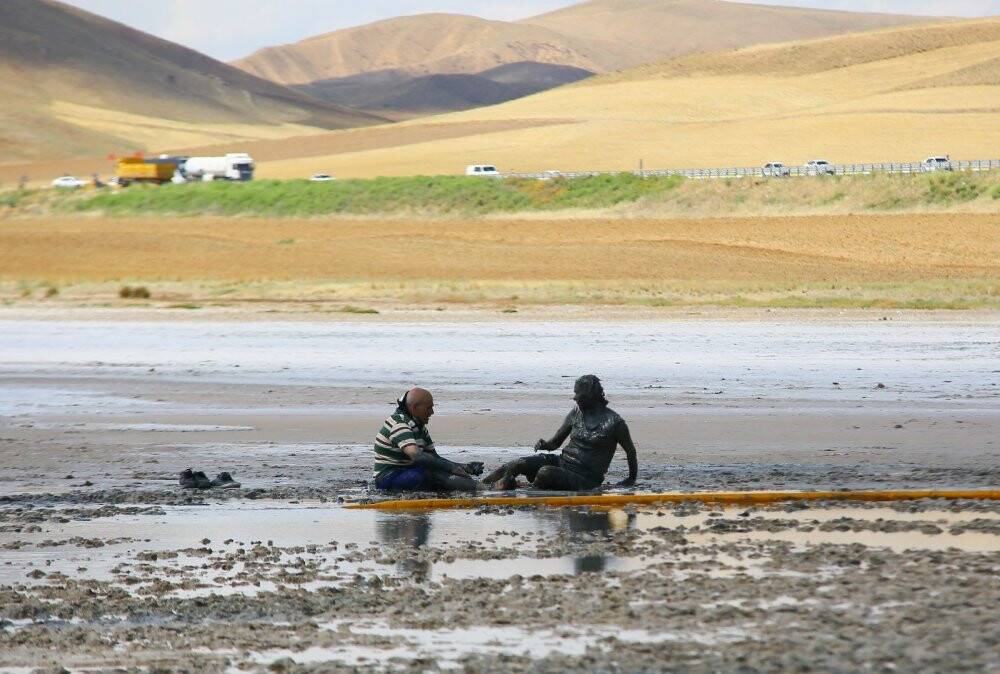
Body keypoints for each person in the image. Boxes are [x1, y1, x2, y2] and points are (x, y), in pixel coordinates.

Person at [483, 375, 637, 491]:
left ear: (591, 395)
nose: (574, 397)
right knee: (518, 463)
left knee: (545, 473)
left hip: (586, 478)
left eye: (579, 394)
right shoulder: (576, 414)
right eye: (574, 393)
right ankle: (483, 486)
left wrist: (631, 479)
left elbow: (630, 451)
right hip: (562, 463)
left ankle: (530, 491)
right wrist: (545, 445)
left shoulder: (615, 423)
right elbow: (556, 443)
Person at [373, 387, 482, 492]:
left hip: (409, 472)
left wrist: (464, 467)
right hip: (388, 477)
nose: (432, 412)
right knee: (431, 474)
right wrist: (451, 467)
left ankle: (477, 487)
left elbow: (434, 458)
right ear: (414, 408)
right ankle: (481, 488)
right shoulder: (399, 424)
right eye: (428, 408)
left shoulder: (419, 427)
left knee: (435, 470)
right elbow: (417, 456)